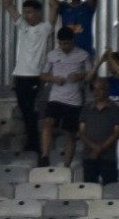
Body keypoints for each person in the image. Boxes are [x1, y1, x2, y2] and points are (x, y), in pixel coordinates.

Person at [3, 0, 54, 154]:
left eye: (30, 12)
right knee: (25, 111)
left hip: (34, 76)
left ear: (39, 13)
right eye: (25, 12)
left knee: (33, 111)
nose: (26, 16)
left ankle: (36, 145)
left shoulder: (45, 28)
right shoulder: (22, 26)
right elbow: (8, 5)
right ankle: (32, 142)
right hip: (20, 75)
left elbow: (54, 5)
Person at [39, 26, 93, 167]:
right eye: (61, 44)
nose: (64, 46)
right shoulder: (52, 55)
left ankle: (67, 166)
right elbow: (43, 75)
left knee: (70, 133)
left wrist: (79, 75)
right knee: (47, 123)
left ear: (73, 41)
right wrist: (53, 79)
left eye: (67, 43)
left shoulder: (83, 55)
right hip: (55, 97)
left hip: (74, 100)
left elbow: (91, 75)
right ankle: (45, 156)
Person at [79, 77, 119, 184]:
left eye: (100, 89)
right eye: (94, 89)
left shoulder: (115, 108)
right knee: (89, 191)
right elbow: (82, 132)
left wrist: (100, 149)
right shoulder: (86, 108)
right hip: (89, 156)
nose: (96, 92)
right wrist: (94, 148)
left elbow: (117, 132)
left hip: (108, 157)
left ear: (106, 90)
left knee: (110, 190)